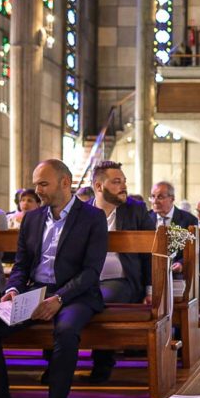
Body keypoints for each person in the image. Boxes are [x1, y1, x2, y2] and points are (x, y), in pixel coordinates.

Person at [0, 159, 108, 398]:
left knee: (65, 332)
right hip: (35, 292)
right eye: (36, 183)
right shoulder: (32, 218)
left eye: (43, 184)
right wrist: (14, 289)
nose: (37, 190)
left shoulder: (92, 217)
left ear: (65, 183)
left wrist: (59, 298)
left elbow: (92, 271)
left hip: (75, 294)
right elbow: (21, 266)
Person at [86, 161, 154, 384]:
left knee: (101, 299)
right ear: (98, 186)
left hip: (122, 280)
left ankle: (102, 361)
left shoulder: (135, 210)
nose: (123, 186)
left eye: (124, 181)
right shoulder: (81, 212)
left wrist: (150, 288)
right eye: (116, 182)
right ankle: (56, 363)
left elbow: (150, 252)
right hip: (86, 278)